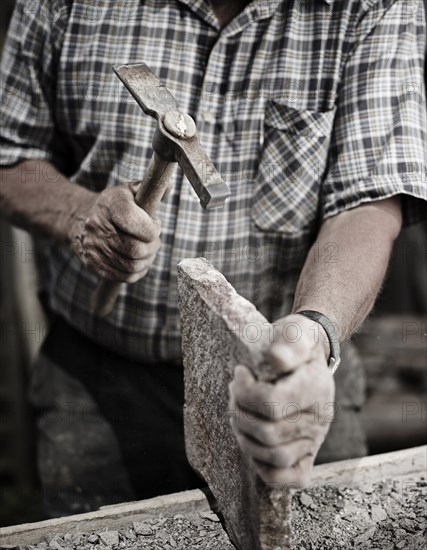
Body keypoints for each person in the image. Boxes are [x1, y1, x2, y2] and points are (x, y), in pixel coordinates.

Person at [0, 0, 426, 517]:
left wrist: (312, 333)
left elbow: (367, 199)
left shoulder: (373, 6)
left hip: (282, 381)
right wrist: (77, 213)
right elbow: (9, 156)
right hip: (100, 378)